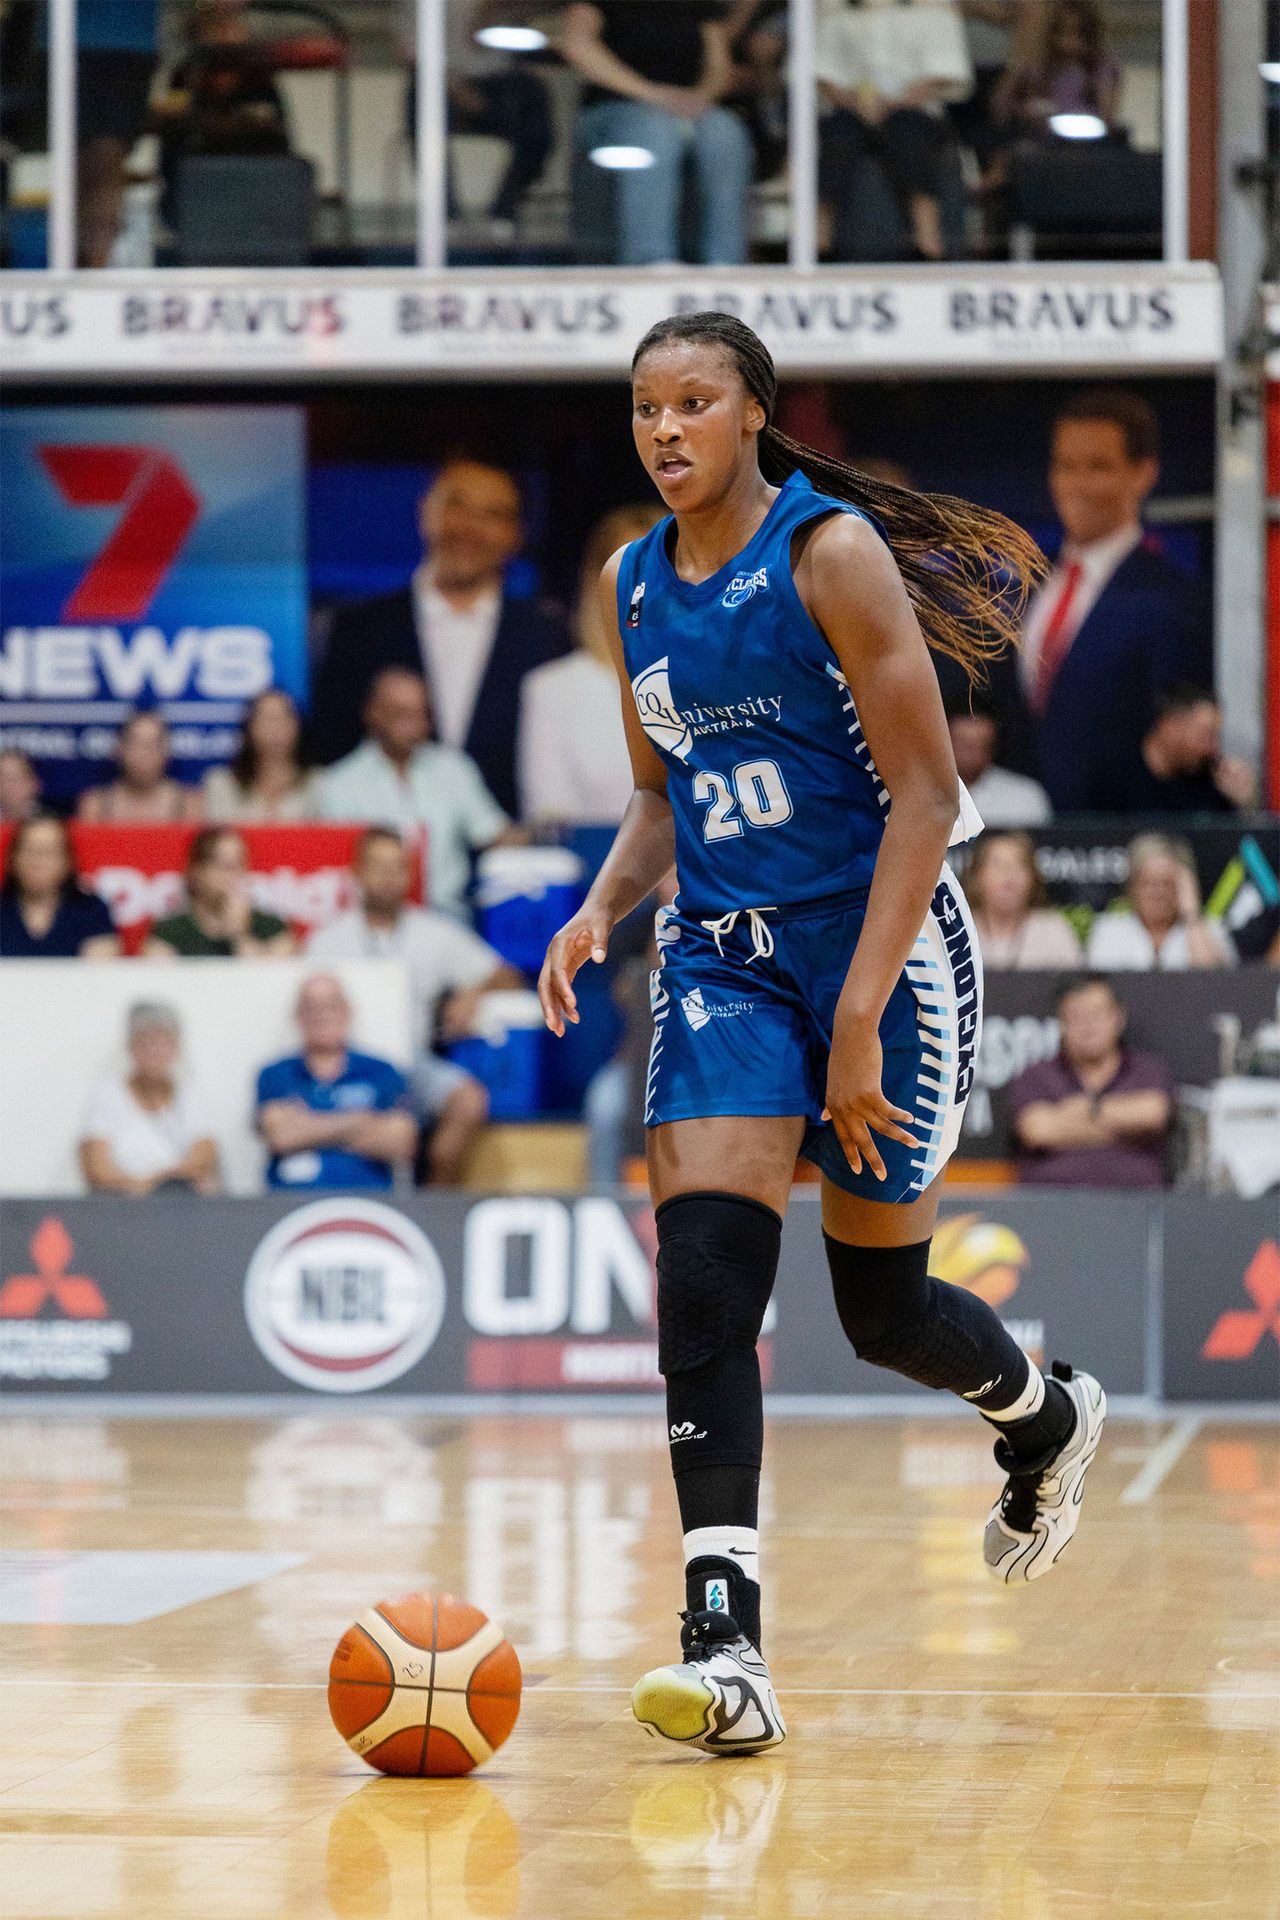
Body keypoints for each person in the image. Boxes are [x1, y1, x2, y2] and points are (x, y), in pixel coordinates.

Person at [538, 311, 1105, 1757]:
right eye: (645, 409)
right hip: (723, 957)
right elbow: (662, 798)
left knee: (883, 1313)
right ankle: (724, 1642)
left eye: (694, 404)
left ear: (751, 415)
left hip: (884, 947)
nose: (666, 431)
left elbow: (924, 798)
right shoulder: (634, 583)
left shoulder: (827, 553)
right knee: (706, 1280)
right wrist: (599, 910)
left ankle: (1040, 1419)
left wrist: (856, 1017)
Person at [308, 459, 570, 812]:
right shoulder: (358, 628)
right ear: (425, 513)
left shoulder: (547, 635)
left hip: (514, 855)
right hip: (383, 855)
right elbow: (331, 749)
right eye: (456, 506)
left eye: (493, 514)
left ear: (516, 535)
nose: (470, 527)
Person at [1015, 388, 1212, 812]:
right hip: (1022, 842)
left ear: (1143, 473)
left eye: (1098, 467)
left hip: (1119, 833)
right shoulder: (1029, 582)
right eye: (1065, 466)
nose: (1076, 484)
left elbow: (1173, 746)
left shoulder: (1172, 598)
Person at [560, 3, 755, 266]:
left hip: (687, 108)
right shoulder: (597, 4)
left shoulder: (698, 9)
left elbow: (719, 67)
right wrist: (653, 95)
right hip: (615, 111)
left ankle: (726, 263)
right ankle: (651, 261)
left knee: (725, 131)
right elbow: (578, 46)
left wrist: (700, 97)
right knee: (656, 132)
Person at [316, 668, 514, 922]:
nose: (415, 726)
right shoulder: (338, 784)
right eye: (403, 715)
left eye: (422, 714)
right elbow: (336, 873)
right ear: (373, 713)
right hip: (371, 924)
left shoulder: (453, 769)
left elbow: (492, 834)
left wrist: (542, 832)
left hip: (447, 920)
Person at [518, 504, 664, 826]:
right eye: (629, 570)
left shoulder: (720, 678)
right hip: (595, 871)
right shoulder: (551, 689)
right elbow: (550, 818)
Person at [306, 825, 518, 1043]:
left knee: (466, 1079)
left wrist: (473, 995)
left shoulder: (435, 932)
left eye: (398, 866)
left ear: (410, 874)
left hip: (419, 1064)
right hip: (347, 1063)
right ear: (358, 872)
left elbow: (509, 977)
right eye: (378, 866)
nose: (388, 876)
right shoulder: (327, 941)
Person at [816, 0, 973, 261]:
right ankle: (819, 239)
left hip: (914, 110)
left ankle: (929, 240)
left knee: (909, 132)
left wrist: (897, 101)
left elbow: (947, 74)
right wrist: (852, 100)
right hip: (852, 109)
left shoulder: (934, 11)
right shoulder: (835, 13)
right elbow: (822, 73)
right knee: (835, 136)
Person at [255, 972, 418, 1191]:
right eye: (311, 1006)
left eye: (331, 1004)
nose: (322, 1014)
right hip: (290, 1207)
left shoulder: (382, 1071)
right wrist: (360, 1121)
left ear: (347, 1010)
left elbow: (401, 1143)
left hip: (369, 1205)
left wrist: (308, 1127)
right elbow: (281, 1136)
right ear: (298, 1015)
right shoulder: (276, 1073)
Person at [1009, 974, 1175, 1188]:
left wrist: (1085, 1111)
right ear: (1060, 1024)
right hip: (1051, 1207)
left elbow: (1153, 1114)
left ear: (1119, 1017)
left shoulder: (1147, 1070)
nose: (1088, 1026)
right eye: (1076, 1017)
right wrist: (1126, 1130)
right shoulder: (1036, 1076)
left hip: (1138, 1206)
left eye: (1097, 1015)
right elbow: (1038, 1130)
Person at [402, 0, 553, 234]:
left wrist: (489, 8)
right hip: (444, 84)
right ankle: (445, 217)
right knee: (421, 98)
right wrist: (457, 89)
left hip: (500, 84)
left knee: (534, 100)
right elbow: (411, 53)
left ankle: (504, 212)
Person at [80, 1002, 218, 1197]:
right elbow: (97, 1168)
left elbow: (203, 1158)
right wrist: (139, 1186)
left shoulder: (190, 1095)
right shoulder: (108, 1095)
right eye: (146, 1043)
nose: (154, 1052)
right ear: (131, 1048)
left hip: (176, 1200)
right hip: (121, 1202)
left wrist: (154, 1183)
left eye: (162, 1044)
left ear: (176, 1049)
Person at [1085, 832, 1234, 971]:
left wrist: (1191, 913)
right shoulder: (1109, 930)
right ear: (1132, 886)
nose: (1158, 893)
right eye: (1148, 883)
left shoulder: (1210, 930)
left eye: (1167, 883)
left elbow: (1212, 984)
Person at [145, 827, 295, 957]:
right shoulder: (168, 933)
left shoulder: (272, 929)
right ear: (196, 871)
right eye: (222, 865)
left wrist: (238, 934)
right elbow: (156, 979)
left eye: (238, 864)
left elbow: (271, 981)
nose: (232, 875)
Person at [1113, 685, 1260, 816]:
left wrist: (1244, 807)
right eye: (1205, 736)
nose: (1213, 748)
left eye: (1216, 736)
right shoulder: (1114, 776)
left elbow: (1232, 842)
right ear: (1170, 727)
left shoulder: (1212, 782)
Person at [997, 0, 1121, 140]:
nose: (1069, 43)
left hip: (1088, 146)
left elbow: (1106, 117)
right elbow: (1001, 105)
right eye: (1063, 33)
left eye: (1079, 34)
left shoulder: (1101, 68)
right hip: (1042, 142)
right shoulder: (1038, 66)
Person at [0, 814, 120, 958]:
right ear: (12, 859)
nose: (36, 862)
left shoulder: (92, 911)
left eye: (47, 852)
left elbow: (101, 973)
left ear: (67, 861)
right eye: (28, 850)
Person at [962, 831, 1082, 969]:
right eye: (997, 864)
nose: (1008, 875)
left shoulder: (1053, 929)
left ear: (1033, 877)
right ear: (976, 877)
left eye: (1019, 864)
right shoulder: (959, 928)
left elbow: (1078, 987)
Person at [201, 690, 320, 822]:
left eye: (284, 716)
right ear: (249, 727)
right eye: (268, 718)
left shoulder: (319, 783)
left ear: (298, 725)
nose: (276, 727)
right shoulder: (222, 784)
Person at [77, 711, 202, 823]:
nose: (145, 754)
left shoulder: (190, 805)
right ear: (120, 749)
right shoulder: (95, 806)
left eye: (154, 744)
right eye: (137, 744)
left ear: (167, 750)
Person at [946, 697, 1051, 826]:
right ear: (945, 744)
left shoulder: (1025, 798)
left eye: (981, 746)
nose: (971, 756)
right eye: (964, 746)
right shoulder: (919, 796)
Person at [0, 749, 41, 823]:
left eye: (14, 779)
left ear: (34, 783)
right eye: (2, 778)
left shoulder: (51, 823)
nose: (8, 786)